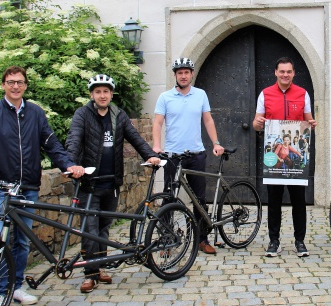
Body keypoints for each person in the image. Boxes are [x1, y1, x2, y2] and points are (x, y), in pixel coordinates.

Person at [0, 66, 83, 306]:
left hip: (28, 187)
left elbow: (51, 143)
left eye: (19, 82)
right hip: (1, 188)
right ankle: (0, 293)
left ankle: (15, 286)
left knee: (21, 241)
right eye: (10, 82)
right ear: (3, 85)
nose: (15, 86)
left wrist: (68, 164)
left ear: (26, 85)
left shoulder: (35, 113)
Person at [66, 74, 160, 293]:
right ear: (92, 95)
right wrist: (71, 164)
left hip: (112, 183)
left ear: (111, 94)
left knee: (103, 228)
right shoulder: (82, 114)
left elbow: (134, 138)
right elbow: (74, 139)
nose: (102, 95)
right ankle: (90, 274)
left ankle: (100, 268)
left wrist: (149, 155)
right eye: (98, 92)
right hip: (89, 184)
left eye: (106, 91)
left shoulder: (118, 114)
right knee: (89, 230)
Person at [152, 57, 224, 255]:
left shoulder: (200, 95)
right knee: (169, 198)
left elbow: (208, 120)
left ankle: (202, 239)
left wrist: (216, 143)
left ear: (191, 74)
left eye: (186, 72)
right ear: (175, 75)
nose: (183, 76)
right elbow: (158, 123)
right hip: (172, 155)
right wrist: (157, 146)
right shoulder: (165, 97)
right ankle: (167, 240)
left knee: (199, 199)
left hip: (196, 154)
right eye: (179, 73)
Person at [252, 57, 317, 257]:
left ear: (293, 73)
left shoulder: (303, 93)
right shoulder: (265, 94)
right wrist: (258, 123)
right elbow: (255, 124)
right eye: (282, 71)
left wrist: (312, 124)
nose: (285, 75)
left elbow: (308, 120)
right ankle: (274, 241)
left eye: (288, 72)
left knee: (299, 200)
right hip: (273, 158)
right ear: (276, 73)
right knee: (274, 200)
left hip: (295, 159)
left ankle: (300, 241)